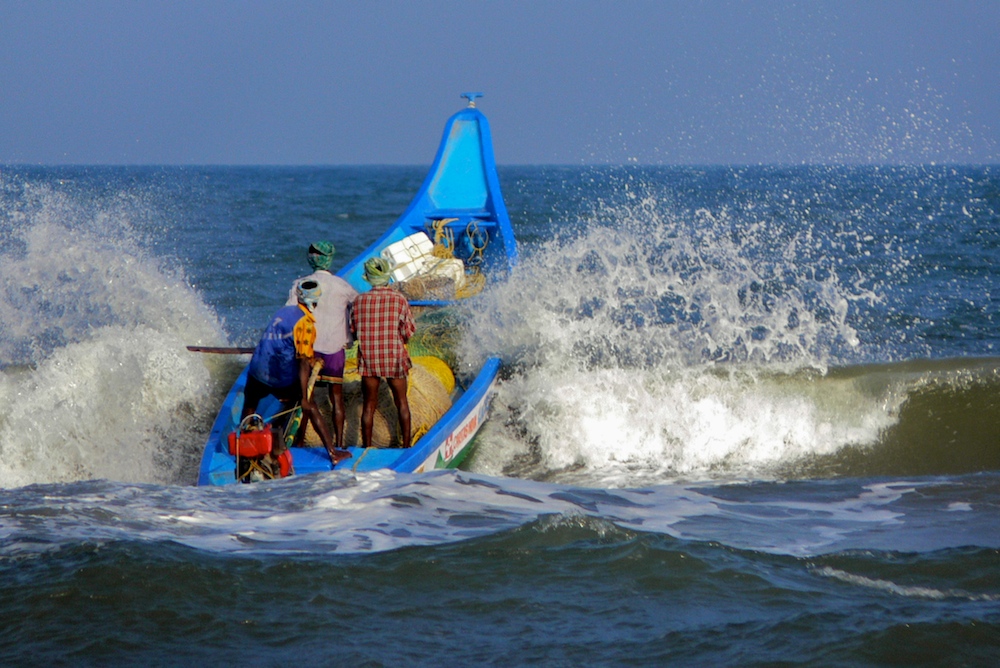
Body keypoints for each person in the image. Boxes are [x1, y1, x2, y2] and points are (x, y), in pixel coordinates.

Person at [243, 278, 351, 465]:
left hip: (256, 371)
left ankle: (243, 446)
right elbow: (302, 364)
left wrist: (311, 358)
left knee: (250, 404)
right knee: (310, 406)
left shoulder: (283, 312)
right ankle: (333, 453)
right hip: (278, 377)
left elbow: (283, 345)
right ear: (314, 302)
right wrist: (304, 397)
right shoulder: (306, 324)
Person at [286, 241, 358, 451]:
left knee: (305, 396)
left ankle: (299, 441)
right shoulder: (342, 286)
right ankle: (339, 442)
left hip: (307, 349)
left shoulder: (300, 284)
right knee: (336, 397)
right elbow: (357, 302)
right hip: (335, 350)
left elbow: (288, 314)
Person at [351, 257, 417, 449]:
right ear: (387, 276)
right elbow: (408, 331)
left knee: (369, 405)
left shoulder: (358, 301)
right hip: (394, 358)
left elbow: (353, 331)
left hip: (369, 360)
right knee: (401, 403)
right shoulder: (399, 299)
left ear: (368, 278)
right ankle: (406, 446)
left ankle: (367, 447)